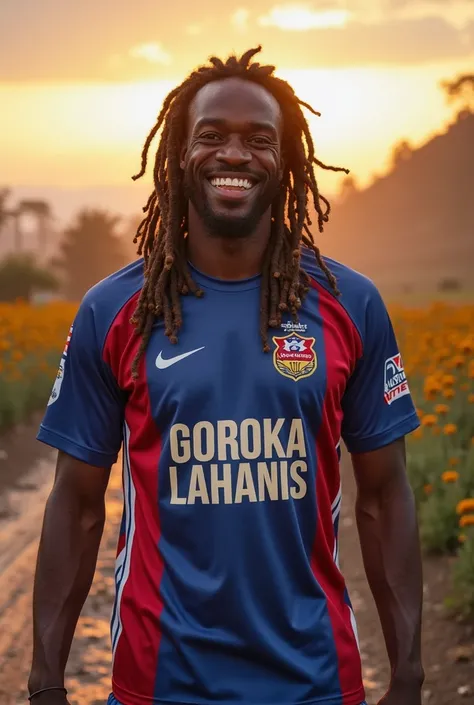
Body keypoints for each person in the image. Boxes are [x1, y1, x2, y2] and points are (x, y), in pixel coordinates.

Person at [28, 47, 424, 705]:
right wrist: (45, 682)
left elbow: (385, 496)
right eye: (211, 136)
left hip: (315, 680)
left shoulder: (350, 305)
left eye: (258, 140)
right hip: (161, 681)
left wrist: (408, 676)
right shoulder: (114, 310)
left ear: (288, 160)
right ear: (179, 155)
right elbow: (74, 504)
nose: (234, 155)